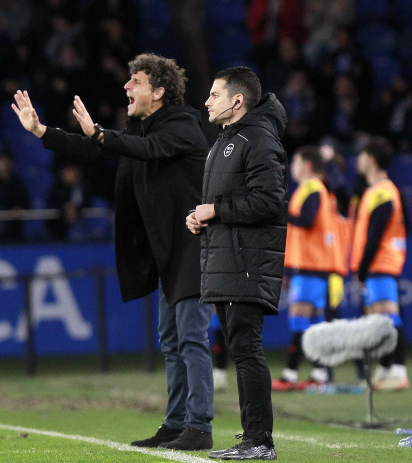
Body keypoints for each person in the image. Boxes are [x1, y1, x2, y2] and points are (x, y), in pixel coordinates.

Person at [12, 53, 214, 451]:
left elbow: (148, 149)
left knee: (190, 338)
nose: (126, 87)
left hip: (194, 247)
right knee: (171, 341)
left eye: (135, 81)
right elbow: (97, 150)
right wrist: (42, 131)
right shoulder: (139, 128)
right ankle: (176, 424)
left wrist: (101, 134)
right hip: (167, 252)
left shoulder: (184, 126)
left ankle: (200, 425)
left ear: (158, 91)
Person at [188, 66, 287, 460]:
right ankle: (254, 439)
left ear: (237, 100)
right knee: (240, 349)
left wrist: (216, 209)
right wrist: (201, 217)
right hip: (227, 260)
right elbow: (227, 207)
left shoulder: (258, 139)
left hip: (246, 263)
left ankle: (260, 441)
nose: (207, 101)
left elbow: (269, 201)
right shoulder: (226, 142)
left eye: (214, 94)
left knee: (246, 348)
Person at [272, 146, 337, 392]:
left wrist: (282, 210)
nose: (293, 168)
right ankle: (320, 373)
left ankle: (290, 374)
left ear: (308, 165)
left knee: (300, 319)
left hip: (310, 266)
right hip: (309, 265)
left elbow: (307, 220)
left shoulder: (312, 188)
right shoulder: (311, 189)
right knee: (315, 322)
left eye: (296, 162)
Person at [350, 136, 408, 392]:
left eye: (361, 155)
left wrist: (362, 268)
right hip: (377, 265)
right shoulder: (375, 191)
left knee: (388, 316)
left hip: (381, 263)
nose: (358, 160)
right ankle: (386, 369)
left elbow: (375, 236)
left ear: (371, 160)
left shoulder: (383, 191)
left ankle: (398, 370)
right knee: (381, 318)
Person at [46, 163, 92, 240]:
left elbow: (89, 202)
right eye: (67, 172)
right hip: (59, 227)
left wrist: (77, 208)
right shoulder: (56, 189)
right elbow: (51, 204)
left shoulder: (84, 187)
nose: (70, 175)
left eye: (72, 172)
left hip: (83, 223)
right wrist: (64, 208)